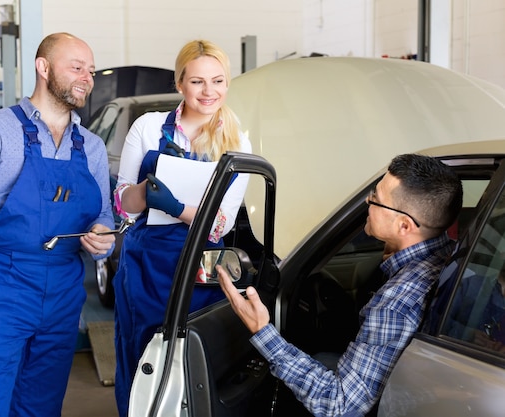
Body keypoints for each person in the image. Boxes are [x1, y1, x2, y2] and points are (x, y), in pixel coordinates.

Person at [0, 32, 115, 417]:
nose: (87, 77)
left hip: (65, 290)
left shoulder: (92, 147)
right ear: (43, 67)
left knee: (42, 402)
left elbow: (103, 217)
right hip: (0, 285)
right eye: (76, 67)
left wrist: (105, 240)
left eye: (91, 70)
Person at [218, 153, 463, 417]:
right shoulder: (450, 256)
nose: (368, 202)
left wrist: (262, 331)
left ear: (404, 225)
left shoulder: (396, 303)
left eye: (376, 200)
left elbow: (339, 406)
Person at [112, 39, 252, 416]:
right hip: (145, 267)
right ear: (179, 84)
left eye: (218, 81)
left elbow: (221, 223)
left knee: (192, 360)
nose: (209, 92)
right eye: (197, 82)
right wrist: (143, 193)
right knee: (141, 354)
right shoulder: (148, 127)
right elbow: (121, 204)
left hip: (201, 271)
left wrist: (175, 206)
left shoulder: (237, 141)